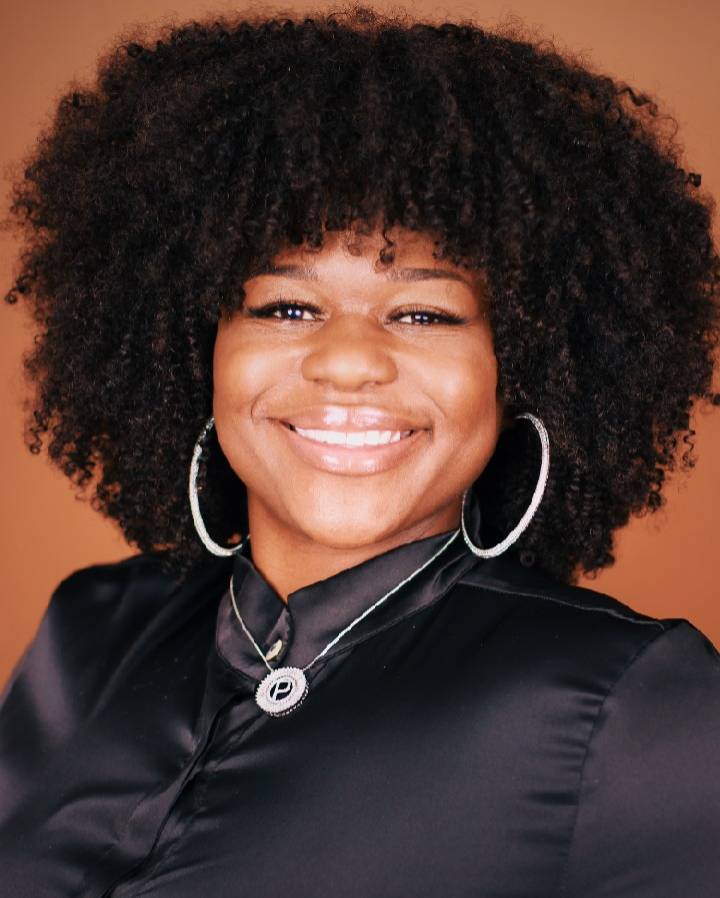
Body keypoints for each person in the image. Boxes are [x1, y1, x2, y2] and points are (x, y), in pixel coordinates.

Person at [1, 5, 719, 896]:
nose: (347, 362)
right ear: (196, 350)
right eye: (286, 306)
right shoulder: (92, 632)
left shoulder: (632, 707)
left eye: (423, 313)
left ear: (518, 371)